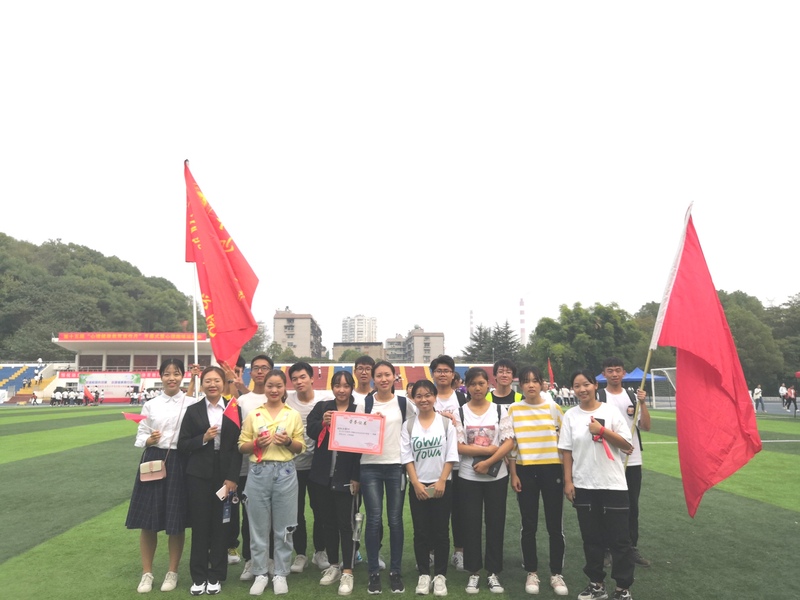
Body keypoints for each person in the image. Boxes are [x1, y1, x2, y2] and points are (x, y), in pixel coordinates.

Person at [559, 370, 635, 600]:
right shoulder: (570, 416)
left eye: (586, 384)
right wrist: (568, 482)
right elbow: (566, 451)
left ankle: (622, 588)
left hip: (613, 485)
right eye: (577, 386)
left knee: (620, 540)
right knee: (592, 539)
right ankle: (596, 585)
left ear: (594, 385)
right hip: (584, 485)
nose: (582, 389)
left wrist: (602, 430)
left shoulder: (610, 411)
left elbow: (627, 445)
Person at [126, 358, 196, 594]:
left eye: (176, 373)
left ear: (183, 376)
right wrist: (148, 439)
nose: (171, 378)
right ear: (161, 376)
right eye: (167, 373)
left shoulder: (192, 403)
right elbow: (140, 434)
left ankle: (172, 572)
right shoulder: (151, 404)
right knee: (149, 520)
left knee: (176, 520)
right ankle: (147, 573)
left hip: (180, 461)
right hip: (153, 460)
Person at [238, 369, 306, 596]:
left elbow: (300, 447)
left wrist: (287, 442)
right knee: (258, 526)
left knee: (285, 526)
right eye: (270, 386)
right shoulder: (254, 414)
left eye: (279, 386)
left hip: (285, 472)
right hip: (258, 472)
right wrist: (257, 443)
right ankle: (259, 572)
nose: (274, 390)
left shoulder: (292, 414)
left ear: (285, 388)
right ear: (264, 388)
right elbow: (242, 445)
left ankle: (280, 573)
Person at [177, 366, 243, 596]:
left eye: (216, 380)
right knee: (200, 525)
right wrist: (203, 438)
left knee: (221, 526)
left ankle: (216, 575)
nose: (212, 384)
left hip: (225, 474)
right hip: (198, 474)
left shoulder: (233, 408)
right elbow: (183, 444)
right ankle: (198, 576)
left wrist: (232, 477)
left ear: (224, 383)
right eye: (208, 381)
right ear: (202, 383)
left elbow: (237, 447)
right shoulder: (193, 410)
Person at [507, 366, 568, 596]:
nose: (531, 385)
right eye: (526, 381)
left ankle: (556, 573)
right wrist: (513, 474)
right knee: (529, 524)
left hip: (552, 469)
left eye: (535, 380)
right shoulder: (514, 409)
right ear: (520, 385)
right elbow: (512, 446)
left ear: (542, 383)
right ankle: (531, 571)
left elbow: (565, 443)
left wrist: (567, 476)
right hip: (525, 471)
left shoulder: (553, 408)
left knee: (555, 525)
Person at [455, 367, 515, 594]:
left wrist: (488, 461)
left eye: (481, 383)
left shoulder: (500, 410)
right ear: (467, 387)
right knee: (470, 524)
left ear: (488, 385)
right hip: (468, 477)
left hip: (496, 477)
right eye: (473, 384)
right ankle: (473, 571)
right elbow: (458, 446)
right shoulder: (460, 412)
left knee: (495, 523)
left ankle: (493, 572)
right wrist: (484, 451)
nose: (477, 388)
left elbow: (509, 442)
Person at [356, 360, 413, 594]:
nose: (383, 379)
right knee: (374, 520)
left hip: (396, 467)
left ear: (394, 377)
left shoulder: (403, 403)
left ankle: (395, 571)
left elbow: (419, 425)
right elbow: (355, 434)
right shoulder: (365, 403)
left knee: (395, 520)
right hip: (369, 466)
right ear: (373, 378)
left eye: (387, 374)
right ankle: (373, 573)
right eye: (378, 375)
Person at [306, 370, 362, 595]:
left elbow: (361, 447)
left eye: (346, 386)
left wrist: (356, 476)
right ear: (332, 387)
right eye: (338, 385)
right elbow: (310, 431)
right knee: (327, 523)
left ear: (352, 388)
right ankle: (334, 565)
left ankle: (348, 570)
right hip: (321, 477)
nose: (341, 390)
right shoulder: (322, 407)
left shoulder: (358, 410)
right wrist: (323, 422)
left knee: (346, 525)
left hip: (346, 478)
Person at [401, 379, 459, 597]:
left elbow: (451, 455)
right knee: (421, 532)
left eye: (428, 395)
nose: (423, 399)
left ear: (435, 397)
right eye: (419, 396)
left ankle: (440, 575)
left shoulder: (445, 424)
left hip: (442, 485)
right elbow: (407, 457)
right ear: (413, 398)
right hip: (419, 486)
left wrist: (442, 480)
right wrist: (415, 483)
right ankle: (424, 574)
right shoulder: (408, 425)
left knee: (441, 532)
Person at [598, 358, 651, 568]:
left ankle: (630, 548)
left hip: (633, 460)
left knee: (631, 507)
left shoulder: (633, 396)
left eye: (618, 370)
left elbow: (646, 426)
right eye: (610, 371)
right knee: (607, 506)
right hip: (607, 459)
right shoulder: (599, 397)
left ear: (624, 373)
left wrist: (643, 404)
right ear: (604, 374)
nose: (614, 374)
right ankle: (606, 549)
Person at [286, 361, 333, 573]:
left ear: (312, 378)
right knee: (295, 512)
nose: (299, 382)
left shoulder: (326, 400)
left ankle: (320, 551)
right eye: (294, 379)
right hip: (293, 465)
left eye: (303, 377)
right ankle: (300, 554)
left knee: (320, 509)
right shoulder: (287, 400)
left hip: (318, 465)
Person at [234, 354, 275, 582]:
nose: (260, 371)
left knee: (273, 517)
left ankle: (271, 559)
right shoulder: (242, 401)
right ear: (251, 372)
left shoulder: (279, 397)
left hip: (274, 467)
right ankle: (250, 560)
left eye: (265, 368)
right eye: (256, 368)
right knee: (249, 516)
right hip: (247, 467)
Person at [429, 355, 467, 571]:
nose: (442, 374)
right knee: (435, 512)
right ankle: (433, 551)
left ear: (453, 374)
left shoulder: (461, 399)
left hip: (459, 464)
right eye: (438, 370)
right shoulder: (427, 397)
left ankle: (459, 552)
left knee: (459, 511)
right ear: (433, 374)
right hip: (433, 464)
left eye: (446, 370)